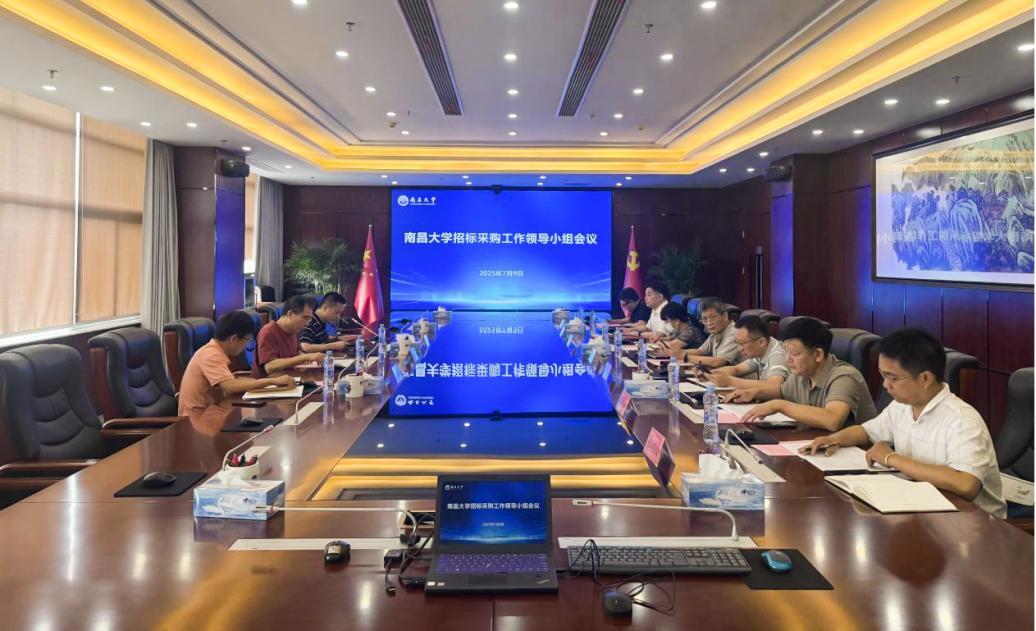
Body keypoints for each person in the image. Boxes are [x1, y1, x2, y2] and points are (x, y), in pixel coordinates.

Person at [802, 328, 1005, 518]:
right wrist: (833, 439)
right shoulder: (901, 406)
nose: (885, 385)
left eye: (892, 378)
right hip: (922, 508)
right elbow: (866, 431)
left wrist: (891, 458)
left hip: (972, 522)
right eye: (883, 376)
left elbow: (965, 484)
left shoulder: (962, 420)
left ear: (925, 378)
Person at [732, 316, 877, 430]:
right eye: (785, 351)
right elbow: (781, 391)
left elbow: (832, 419)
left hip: (857, 454)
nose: (788, 359)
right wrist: (752, 393)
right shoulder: (801, 373)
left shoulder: (845, 377)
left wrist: (779, 405)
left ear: (818, 354)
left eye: (794, 353)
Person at [178, 310, 296, 414]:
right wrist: (273, 381)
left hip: (212, 411)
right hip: (196, 419)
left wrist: (257, 382)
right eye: (247, 340)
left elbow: (228, 383)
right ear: (234, 339)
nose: (246, 346)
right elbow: (230, 386)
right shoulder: (211, 355)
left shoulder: (215, 350)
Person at [705, 314, 789, 390]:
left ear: (761, 342)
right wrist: (710, 374)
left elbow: (774, 385)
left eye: (741, 343)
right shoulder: (761, 351)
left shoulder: (778, 355)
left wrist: (730, 381)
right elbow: (737, 369)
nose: (739, 349)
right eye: (737, 343)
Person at [252, 294, 324, 378]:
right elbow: (269, 366)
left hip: (292, 378)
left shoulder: (294, 331)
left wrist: (303, 356)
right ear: (290, 314)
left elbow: (297, 352)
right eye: (305, 317)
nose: (307, 324)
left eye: (309, 319)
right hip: (271, 383)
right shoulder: (268, 332)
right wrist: (305, 358)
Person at [680, 297, 739, 368]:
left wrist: (685, 357)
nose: (709, 323)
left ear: (724, 316)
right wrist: (677, 352)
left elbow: (718, 362)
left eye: (713, 317)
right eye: (705, 319)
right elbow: (701, 351)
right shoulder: (716, 331)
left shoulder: (735, 333)